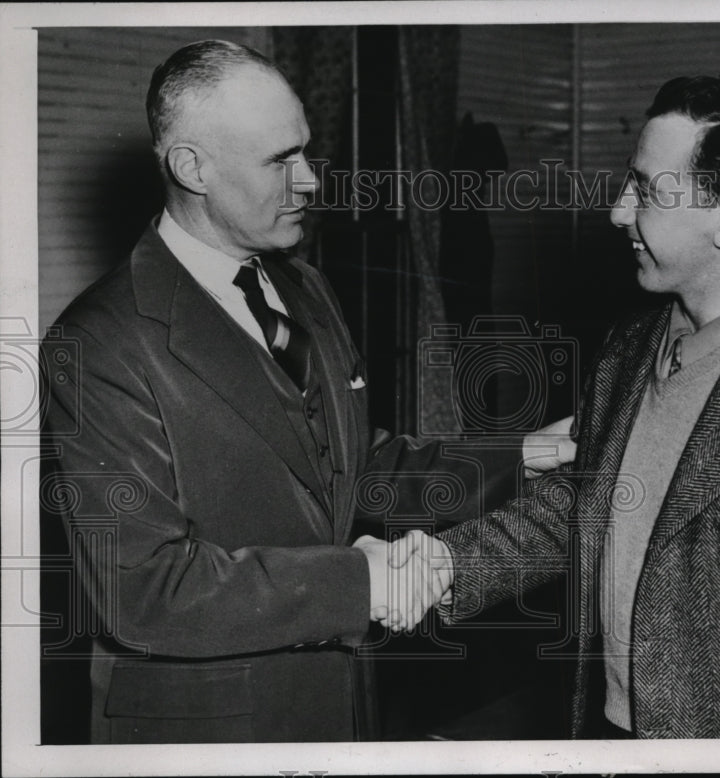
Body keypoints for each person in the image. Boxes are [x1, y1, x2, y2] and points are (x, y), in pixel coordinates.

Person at [40, 39, 573, 744]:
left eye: (305, 152)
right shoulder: (101, 341)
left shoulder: (300, 286)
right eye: (278, 161)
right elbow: (143, 589)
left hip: (339, 708)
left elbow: (355, 470)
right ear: (191, 166)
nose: (311, 182)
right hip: (207, 734)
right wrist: (365, 583)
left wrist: (519, 454)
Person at [392, 75, 720, 738]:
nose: (619, 212)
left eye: (645, 191)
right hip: (609, 731)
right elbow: (581, 506)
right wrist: (445, 564)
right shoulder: (631, 342)